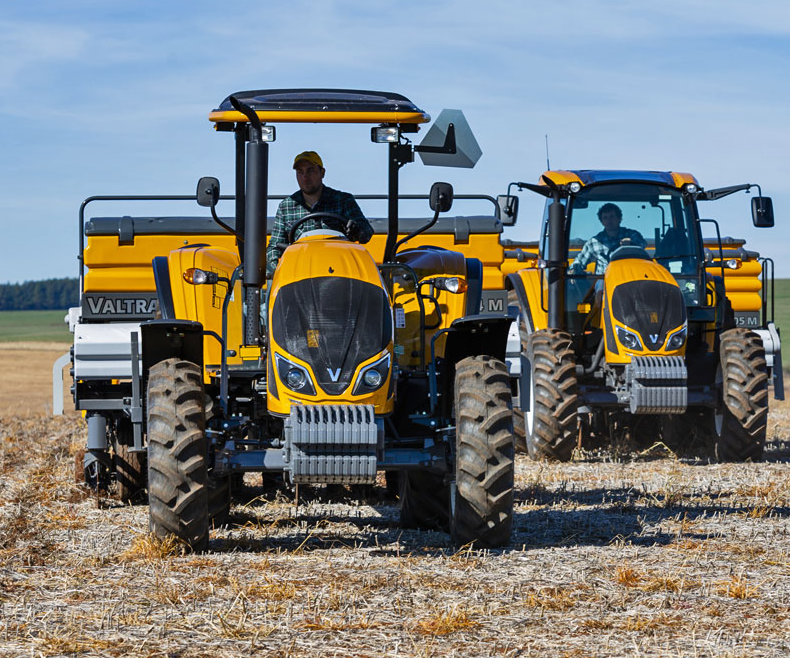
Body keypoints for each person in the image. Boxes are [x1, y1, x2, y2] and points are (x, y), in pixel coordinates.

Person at [266, 151, 374, 277]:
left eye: (310, 170)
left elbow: (366, 231)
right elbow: (275, 246)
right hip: (300, 271)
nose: (305, 177)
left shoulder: (343, 200)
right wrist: (275, 270)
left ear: (322, 173)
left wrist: (357, 230)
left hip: (339, 269)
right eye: (300, 172)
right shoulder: (286, 206)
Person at [570, 202, 646, 274]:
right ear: (601, 221)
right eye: (605, 217)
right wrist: (573, 269)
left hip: (627, 278)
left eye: (612, 216)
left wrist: (631, 244)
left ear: (619, 218)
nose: (609, 220)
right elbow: (580, 260)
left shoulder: (631, 235)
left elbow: (642, 244)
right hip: (604, 280)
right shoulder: (594, 242)